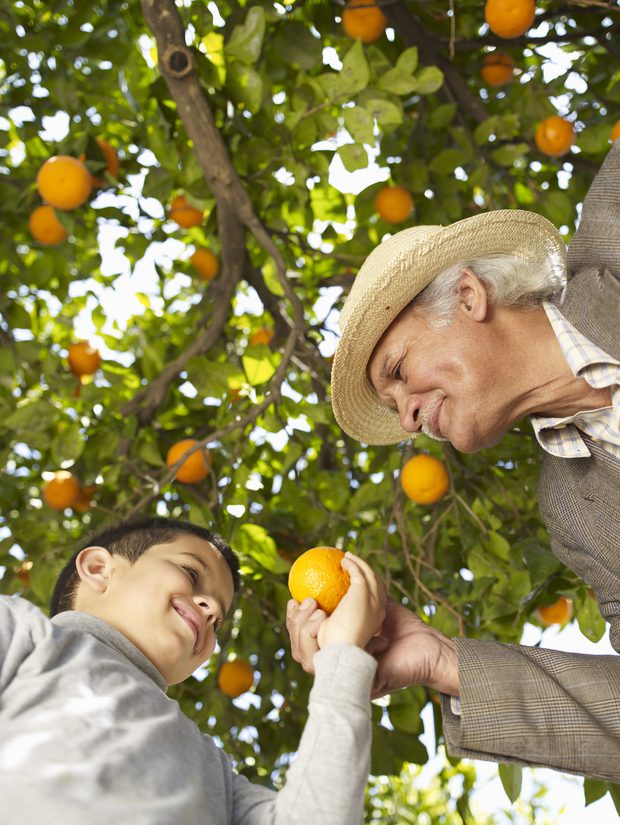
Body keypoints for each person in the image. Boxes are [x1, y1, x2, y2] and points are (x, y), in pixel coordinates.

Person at [288, 141, 620, 783]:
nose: (408, 419)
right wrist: (442, 660)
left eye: (398, 371)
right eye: (394, 406)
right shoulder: (575, 513)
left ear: (468, 296)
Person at [0, 516, 386, 824]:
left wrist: (344, 656)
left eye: (219, 620)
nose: (213, 611)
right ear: (100, 569)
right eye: (191, 573)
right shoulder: (26, 638)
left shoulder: (217, 773)